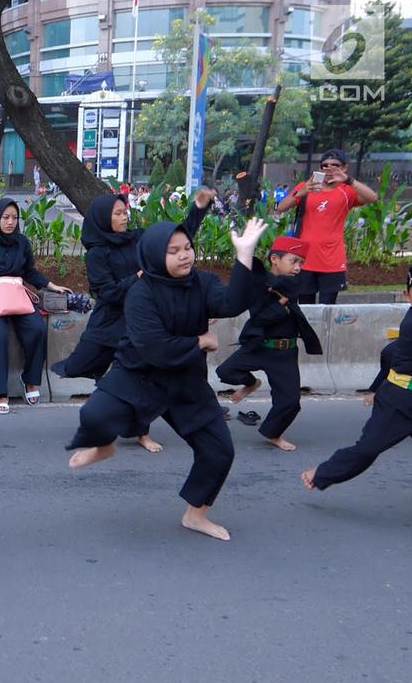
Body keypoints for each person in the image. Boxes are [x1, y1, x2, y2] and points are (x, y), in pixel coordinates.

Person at [67, 215, 268, 541]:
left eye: (187, 247)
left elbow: (232, 303)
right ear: (155, 254)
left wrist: (244, 253)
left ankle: (195, 515)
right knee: (95, 414)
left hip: (184, 379)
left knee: (219, 451)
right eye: (173, 250)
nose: (184, 255)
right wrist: (199, 341)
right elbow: (153, 347)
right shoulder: (140, 291)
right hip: (138, 373)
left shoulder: (202, 283)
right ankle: (103, 447)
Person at [52, 189, 213, 451]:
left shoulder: (137, 238)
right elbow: (107, 293)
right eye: (118, 213)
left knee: (144, 373)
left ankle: (141, 432)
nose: (124, 216)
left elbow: (175, 244)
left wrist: (198, 209)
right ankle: (106, 403)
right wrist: (138, 276)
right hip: (111, 322)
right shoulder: (97, 253)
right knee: (82, 364)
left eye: (124, 211)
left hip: (142, 319)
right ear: (105, 218)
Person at [302, 265, 412, 522]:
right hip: (400, 402)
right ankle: (322, 473)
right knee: (367, 450)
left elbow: (389, 354)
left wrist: (376, 387)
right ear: (407, 296)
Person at [215, 236, 323, 452]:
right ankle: (251, 384)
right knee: (225, 371)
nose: (298, 268)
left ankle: (273, 433)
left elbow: (286, 287)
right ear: (275, 259)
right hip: (259, 346)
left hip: (285, 352)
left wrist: (281, 298)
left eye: (301, 263)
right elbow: (259, 319)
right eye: (294, 261)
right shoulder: (259, 285)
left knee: (290, 402)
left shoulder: (290, 284)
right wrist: (280, 304)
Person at [0, 198, 71, 413]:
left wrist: (52, 286)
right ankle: (0, 393)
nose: (10, 222)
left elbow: (29, 272)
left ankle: (30, 380)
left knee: (37, 328)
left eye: (14, 218)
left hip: (16, 294)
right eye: (6, 217)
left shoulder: (21, 242)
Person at [275, 149, 379, 304]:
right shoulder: (308, 186)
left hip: (332, 261)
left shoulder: (346, 191)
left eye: (335, 165)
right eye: (325, 165)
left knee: (328, 309)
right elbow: (281, 207)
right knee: (305, 309)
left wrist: (347, 179)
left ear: (344, 168)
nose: (329, 169)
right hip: (304, 259)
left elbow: (372, 197)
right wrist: (302, 192)